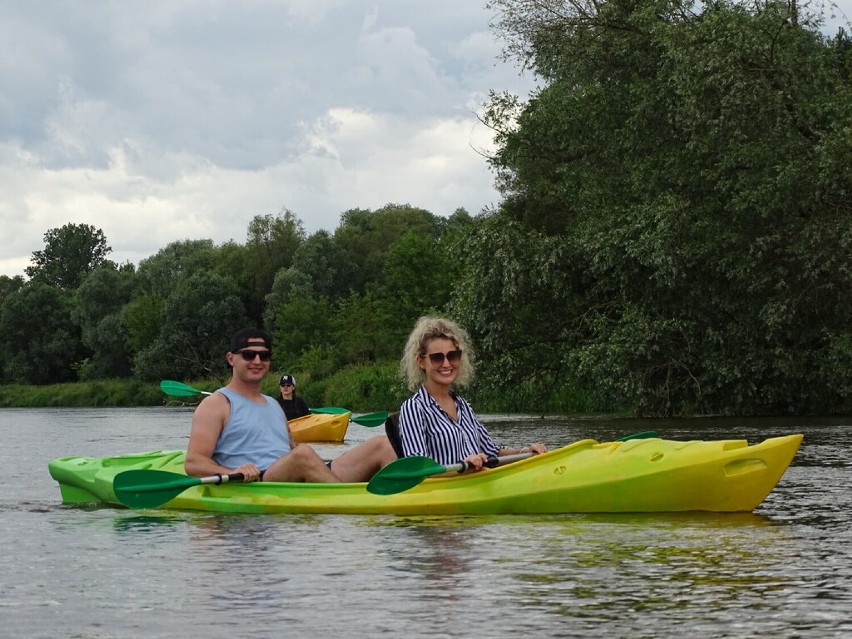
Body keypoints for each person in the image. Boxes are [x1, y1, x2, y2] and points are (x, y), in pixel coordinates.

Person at [185, 328, 396, 483]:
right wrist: (231, 471)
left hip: (298, 473)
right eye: (249, 355)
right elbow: (193, 463)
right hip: (261, 480)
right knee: (303, 455)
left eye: (264, 355)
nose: (257, 361)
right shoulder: (216, 404)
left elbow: (292, 449)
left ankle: (403, 499)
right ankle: (354, 506)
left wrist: (327, 460)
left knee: (381, 444)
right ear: (231, 359)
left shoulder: (274, 405)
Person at [397, 316, 547, 470]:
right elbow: (418, 469)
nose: (446, 364)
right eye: (437, 358)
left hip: (476, 482)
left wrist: (526, 451)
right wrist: (464, 467)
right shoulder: (413, 408)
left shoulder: (463, 405)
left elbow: (492, 452)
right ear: (421, 362)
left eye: (453, 356)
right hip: (445, 490)